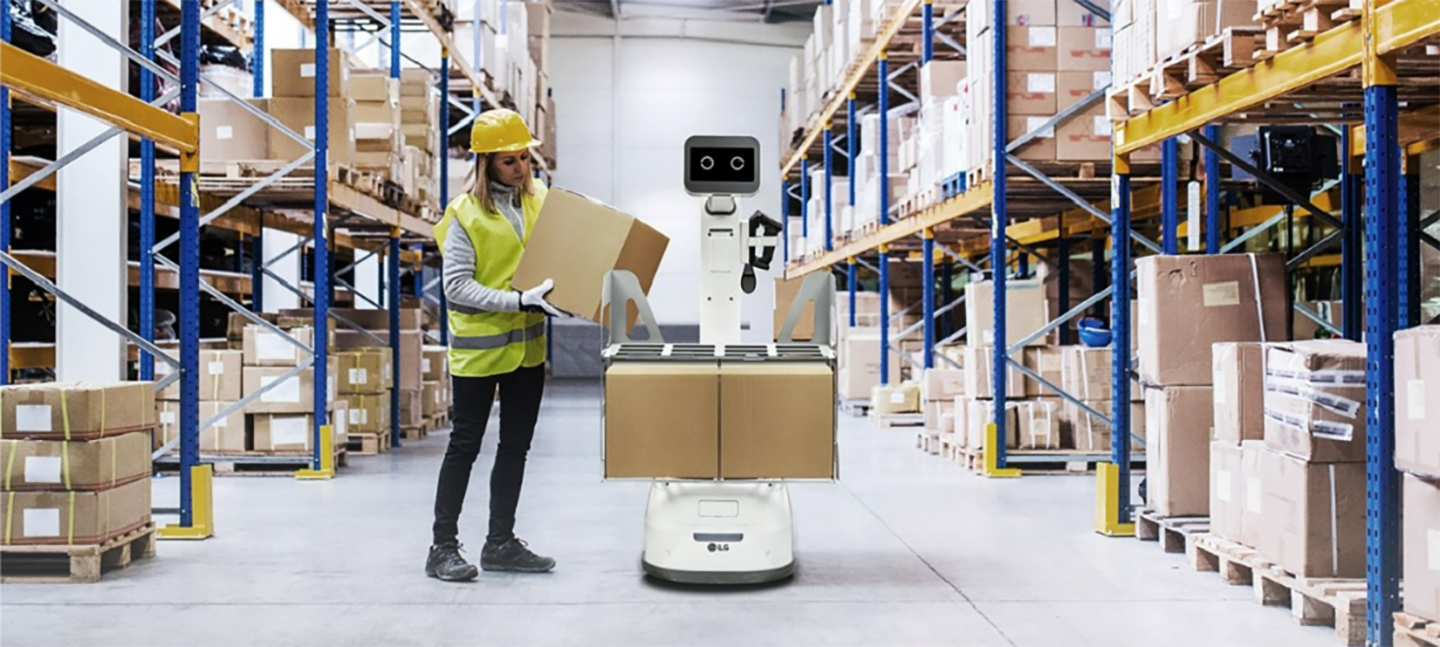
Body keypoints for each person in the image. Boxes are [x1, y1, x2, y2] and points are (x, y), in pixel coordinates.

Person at [426, 109, 565, 582]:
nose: (522, 168)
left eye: (525, 158)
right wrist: (519, 300)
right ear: (486, 163)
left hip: (527, 351)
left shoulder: (540, 201)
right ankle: (442, 548)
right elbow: (457, 287)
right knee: (464, 446)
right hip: (479, 351)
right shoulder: (464, 214)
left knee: (515, 447)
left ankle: (500, 543)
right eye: (510, 162)